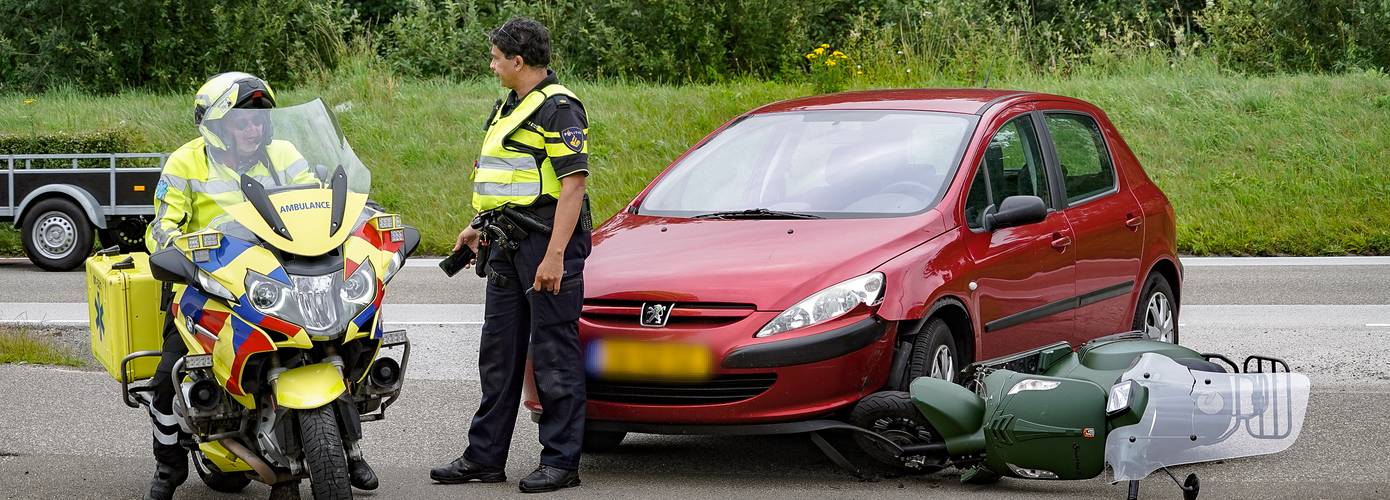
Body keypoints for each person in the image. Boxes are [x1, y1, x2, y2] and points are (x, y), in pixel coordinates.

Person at [140, 72, 373, 500]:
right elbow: (161, 229)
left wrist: (361, 216)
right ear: (217, 126)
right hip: (208, 286)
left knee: (338, 340)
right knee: (165, 382)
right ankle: (168, 467)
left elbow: (320, 201)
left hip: (280, 277)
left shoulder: (283, 154)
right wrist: (179, 249)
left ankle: (345, 447)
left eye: (259, 121)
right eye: (241, 121)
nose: (253, 129)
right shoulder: (185, 163)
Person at [430, 17, 593, 494]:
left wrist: (556, 256)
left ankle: (561, 463)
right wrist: (477, 226)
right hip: (506, 239)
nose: (492, 65)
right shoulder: (511, 105)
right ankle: (484, 458)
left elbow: (574, 186)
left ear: (518, 61)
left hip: (547, 242)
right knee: (498, 354)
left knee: (553, 354)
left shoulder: (559, 108)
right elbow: (507, 183)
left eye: (497, 57)